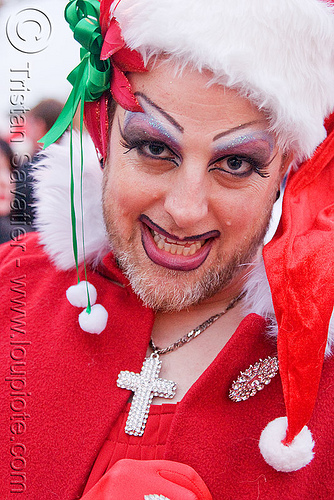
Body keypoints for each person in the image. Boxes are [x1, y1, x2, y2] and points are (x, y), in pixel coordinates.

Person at [0, 0, 333, 498]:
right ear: (101, 134)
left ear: (286, 170)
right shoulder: (12, 290)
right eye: (155, 148)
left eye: (237, 163)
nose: (185, 209)